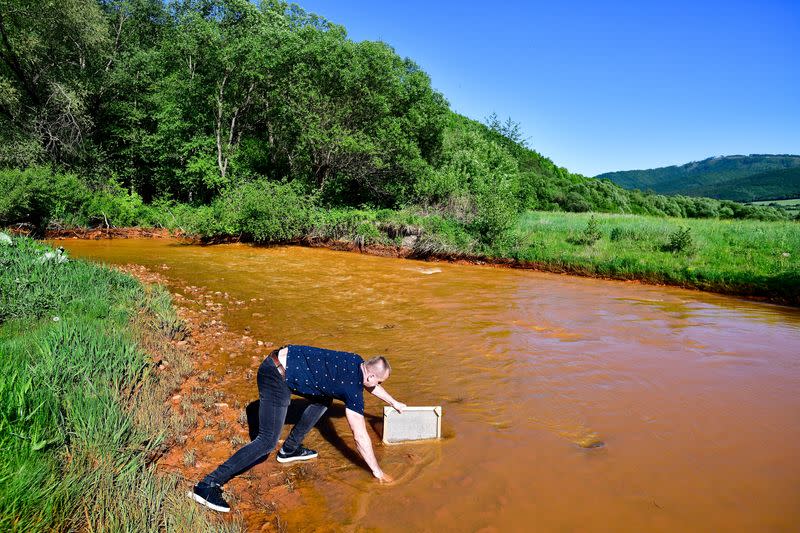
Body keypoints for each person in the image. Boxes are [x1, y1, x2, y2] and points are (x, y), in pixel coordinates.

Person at [189, 344, 406, 512]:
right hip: (275, 375)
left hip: (283, 359)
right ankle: (207, 486)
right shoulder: (352, 389)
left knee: (323, 400)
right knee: (266, 442)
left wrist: (393, 403)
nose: (379, 386)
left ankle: (290, 449)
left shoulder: (356, 361)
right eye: (380, 382)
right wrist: (377, 472)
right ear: (370, 375)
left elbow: (370, 385)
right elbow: (359, 436)